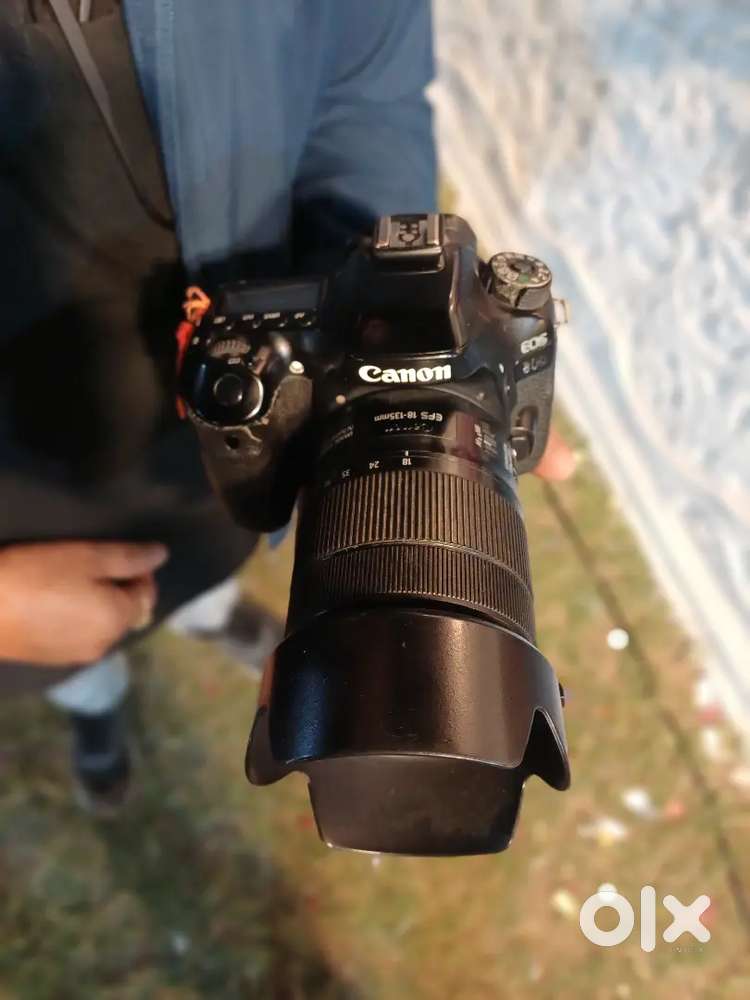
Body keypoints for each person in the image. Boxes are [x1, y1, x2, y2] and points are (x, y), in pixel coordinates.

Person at [0, 0, 573, 810]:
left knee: (195, 581)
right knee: (78, 659)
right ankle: (97, 715)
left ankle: (209, 617)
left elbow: (367, 90)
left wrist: (389, 318)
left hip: (225, 470)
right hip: (23, 531)